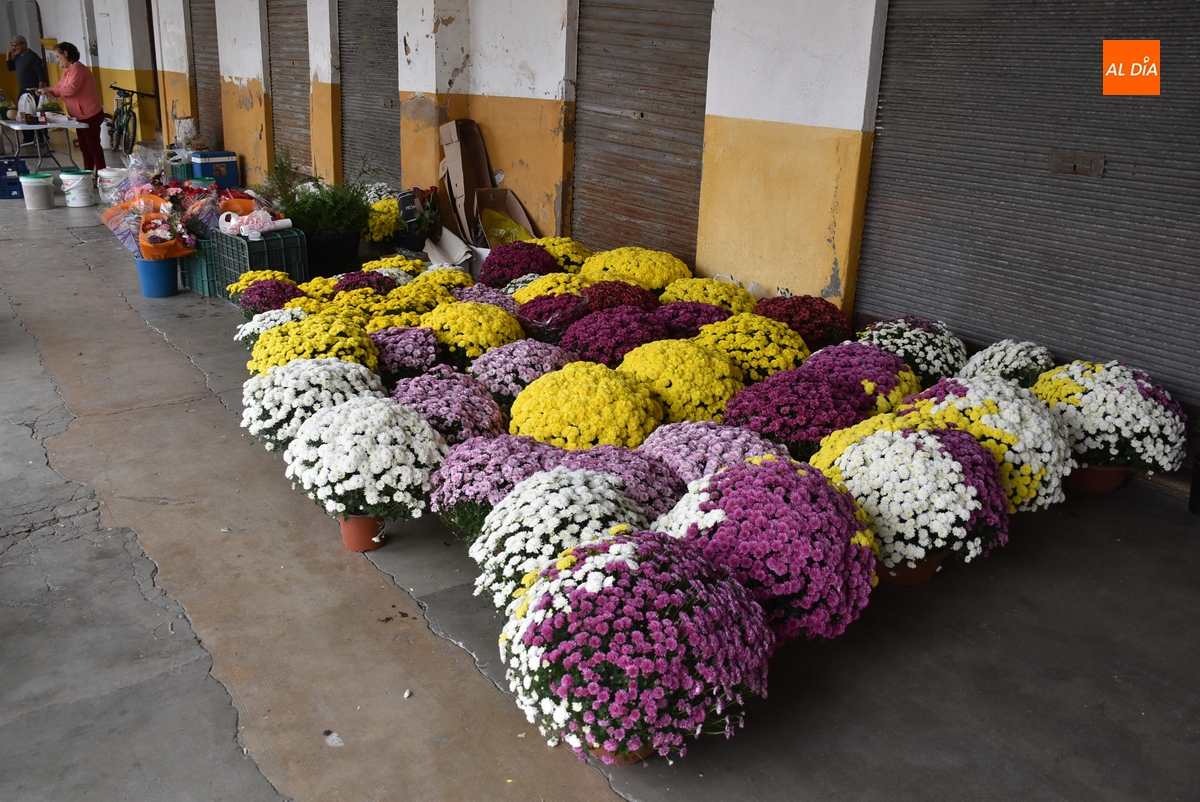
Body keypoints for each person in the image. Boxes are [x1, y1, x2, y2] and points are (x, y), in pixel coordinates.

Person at [37, 41, 105, 171]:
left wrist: (51, 88)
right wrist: (46, 91)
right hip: (79, 115)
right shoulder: (69, 71)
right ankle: (88, 173)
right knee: (85, 148)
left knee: (93, 147)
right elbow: (58, 90)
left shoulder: (78, 68)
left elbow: (70, 89)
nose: (58, 61)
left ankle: (101, 175)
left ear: (66, 54)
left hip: (90, 114)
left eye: (58, 57)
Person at [6, 34, 48, 144]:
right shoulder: (18, 58)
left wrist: (40, 89)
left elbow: (41, 74)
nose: (15, 48)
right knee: (23, 114)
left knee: (36, 113)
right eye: (13, 46)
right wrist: (8, 54)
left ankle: (42, 138)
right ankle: (28, 137)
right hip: (23, 89)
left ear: (24, 44)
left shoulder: (33, 57)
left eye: (17, 46)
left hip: (34, 89)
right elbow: (10, 68)